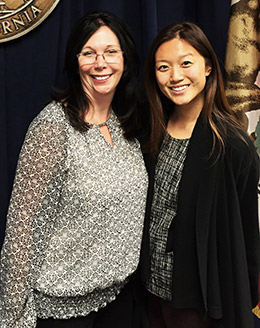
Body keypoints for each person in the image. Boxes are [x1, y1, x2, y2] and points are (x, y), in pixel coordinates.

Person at [0, 11, 148, 328]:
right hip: (61, 312)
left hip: (120, 300)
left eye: (110, 52)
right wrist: (13, 317)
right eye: (89, 53)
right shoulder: (52, 130)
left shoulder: (128, 122)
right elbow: (20, 233)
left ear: (125, 58)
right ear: (75, 60)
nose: (100, 63)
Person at [139, 22, 260, 328]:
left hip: (199, 302)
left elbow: (246, 234)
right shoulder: (150, 132)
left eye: (186, 63)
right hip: (147, 294)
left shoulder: (232, 144)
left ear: (208, 67)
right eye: (163, 67)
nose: (175, 76)